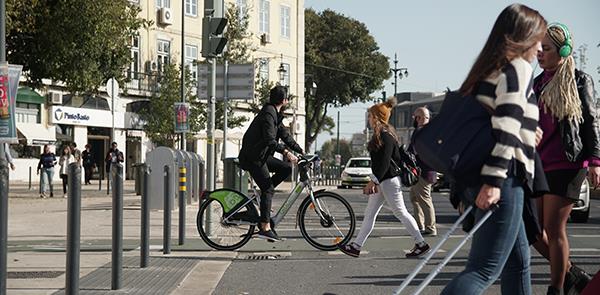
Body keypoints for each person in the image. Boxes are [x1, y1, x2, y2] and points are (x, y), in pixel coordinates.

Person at [441, 4, 546, 294]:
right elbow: (507, 125)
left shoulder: (488, 70)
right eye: (538, 39)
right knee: (483, 269)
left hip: (481, 174)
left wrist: (526, 131)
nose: (540, 47)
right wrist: (494, 182)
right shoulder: (518, 68)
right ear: (523, 37)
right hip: (504, 177)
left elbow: (498, 120)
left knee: (518, 262)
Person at [532, 22, 598, 295]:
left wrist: (595, 161)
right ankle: (573, 274)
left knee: (553, 228)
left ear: (564, 50)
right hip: (539, 164)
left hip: (568, 163)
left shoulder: (580, 80)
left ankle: (556, 289)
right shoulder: (536, 83)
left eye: (545, 49)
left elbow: (591, 121)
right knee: (532, 230)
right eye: (538, 48)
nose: (539, 53)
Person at [338, 98, 430, 258]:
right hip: (384, 181)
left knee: (400, 212)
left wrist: (373, 181)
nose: (368, 118)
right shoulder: (382, 134)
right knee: (370, 214)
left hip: (388, 181)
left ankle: (421, 243)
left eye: (370, 116)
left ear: (376, 117)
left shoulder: (386, 136)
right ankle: (356, 246)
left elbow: (385, 163)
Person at [238, 86, 304, 241]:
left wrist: (300, 150)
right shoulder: (268, 113)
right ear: (284, 100)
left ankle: (263, 197)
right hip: (252, 157)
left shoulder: (275, 114)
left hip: (261, 155)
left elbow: (285, 135)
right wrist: (286, 152)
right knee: (268, 189)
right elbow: (270, 140)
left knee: (286, 168)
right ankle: (265, 226)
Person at [409, 107, 438, 236]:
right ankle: (420, 226)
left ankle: (430, 228)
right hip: (419, 171)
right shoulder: (420, 131)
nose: (416, 119)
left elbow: (418, 151)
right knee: (415, 198)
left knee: (425, 200)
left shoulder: (426, 132)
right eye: (416, 117)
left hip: (424, 172)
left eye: (417, 117)